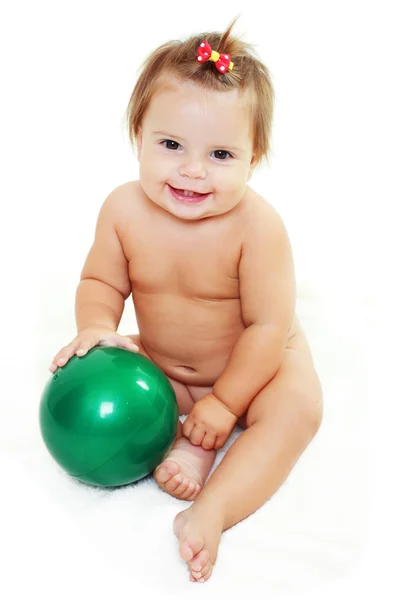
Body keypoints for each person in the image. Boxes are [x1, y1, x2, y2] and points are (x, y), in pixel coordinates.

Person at [49, 18, 323, 584]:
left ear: (255, 157)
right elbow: (100, 282)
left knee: (297, 409)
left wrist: (225, 404)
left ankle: (213, 509)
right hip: (168, 365)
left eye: (221, 154)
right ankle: (188, 444)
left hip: (258, 370)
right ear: (138, 136)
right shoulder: (123, 211)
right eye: (171, 145)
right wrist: (97, 328)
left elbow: (268, 328)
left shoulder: (257, 228)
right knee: (135, 377)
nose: (192, 170)